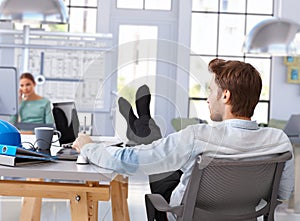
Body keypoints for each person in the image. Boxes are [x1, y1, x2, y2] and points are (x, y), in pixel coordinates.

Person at [72, 58, 294, 221]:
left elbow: (129, 161)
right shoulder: (279, 141)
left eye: (210, 91)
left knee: (154, 157)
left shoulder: (199, 136)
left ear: (225, 96)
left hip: (184, 214)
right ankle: (144, 126)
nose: (207, 99)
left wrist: (89, 147)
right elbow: (281, 195)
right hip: (243, 215)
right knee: (173, 160)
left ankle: (143, 128)